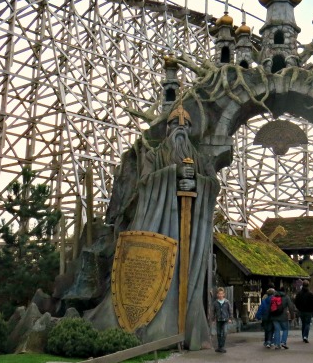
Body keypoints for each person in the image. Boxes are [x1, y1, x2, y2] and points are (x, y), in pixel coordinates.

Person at [85, 105, 220, 350]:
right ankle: (161, 330)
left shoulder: (201, 159)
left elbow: (213, 184)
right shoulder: (153, 156)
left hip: (192, 229)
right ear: (167, 127)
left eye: (185, 124)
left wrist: (198, 182)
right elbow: (145, 183)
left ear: (190, 129)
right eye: (174, 123)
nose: (179, 127)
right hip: (162, 227)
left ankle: (189, 329)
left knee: (188, 272)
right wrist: (174, 174)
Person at [212, 287, 233, 353]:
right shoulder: (215, 303)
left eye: (221, 294)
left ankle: (222, 346)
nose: (220, 295)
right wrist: (213, 319)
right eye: (219, 294)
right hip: (218, 319)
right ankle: (219, 347)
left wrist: (230, 318)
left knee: (224, 333)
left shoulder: (227, 302)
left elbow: (230, 310)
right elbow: (213, 311)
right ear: (217, 294)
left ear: (224, 294)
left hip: (225, 320)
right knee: (218, 333)